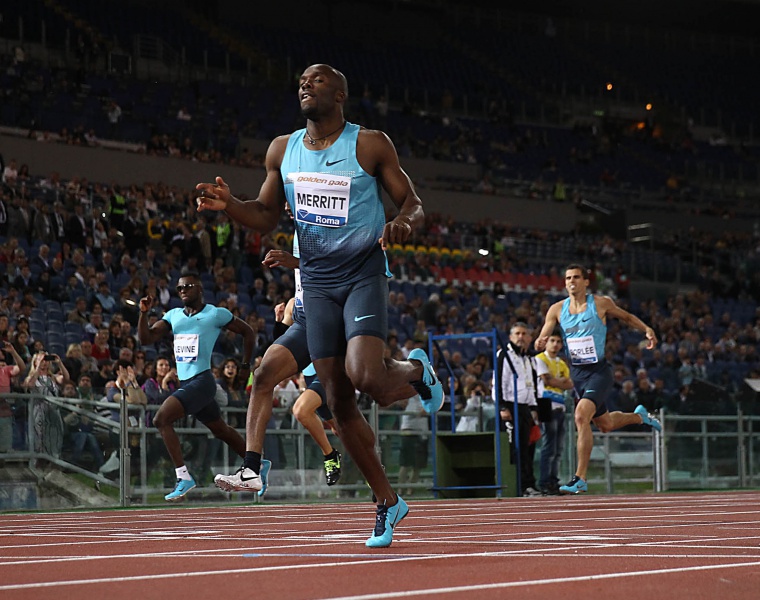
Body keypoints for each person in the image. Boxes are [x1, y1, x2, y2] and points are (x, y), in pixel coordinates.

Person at [197, 63, 443, 548]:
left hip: (362, 274)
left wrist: (403, 223)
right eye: (302, 81)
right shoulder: (282, 150)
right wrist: (232, 206)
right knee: (339, 399)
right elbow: (265, 215)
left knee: (366, 376)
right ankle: (388, 502)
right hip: (318, 285)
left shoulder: (369, 144)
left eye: (318, 79)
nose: (306, 84)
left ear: (340, 93)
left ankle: (417, 371)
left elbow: (413, 202)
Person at [534, 264, 661, 495]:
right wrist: (540, 341)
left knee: (581, 416)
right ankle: (639, 417)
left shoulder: (600, 303)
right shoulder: (556, 309)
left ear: (585, 282)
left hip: (599, 372)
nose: (571, 281)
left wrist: (646, 329)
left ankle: (580, 478)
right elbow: (544, 333)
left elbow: (626, 317)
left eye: (576, 277)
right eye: (568, 278)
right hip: (578, 375)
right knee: (605, 425)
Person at [137, 271, 255, 501]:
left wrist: (245, 365)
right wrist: (143, 313)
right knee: (221, 430)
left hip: (202, 381)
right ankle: (257, 463)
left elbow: (248, 332)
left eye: (187, 286)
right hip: (188, 383)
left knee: (161, 419)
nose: (182, 291)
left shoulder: (215, 313)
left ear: (200, 289)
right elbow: (145, 339)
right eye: (179, 288)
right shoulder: (173, 316)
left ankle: (184, 477)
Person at [496, 322, 542, 497]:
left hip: (525, 408)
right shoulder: (504, 355)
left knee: (527, 448)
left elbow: (532, 385)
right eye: (517, 333)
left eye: (524, 334)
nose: (521, 337)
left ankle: (528, 484)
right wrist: (502, 406)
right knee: (514, 448)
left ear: (530, 338)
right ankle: (518, 485)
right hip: (509, 405)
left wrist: (533, 407)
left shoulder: (529, 358)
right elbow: (499, 381)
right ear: (510, 337)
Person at [534, 330, 574, 496]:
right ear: (546, 342)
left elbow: (570, 384)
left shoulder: (562, 363)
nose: (555, 344)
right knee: (549, 445)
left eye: (558, 341)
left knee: (558, 447)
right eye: (552, 341)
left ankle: (553, 480)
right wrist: (560, 382)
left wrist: (556, 382)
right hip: (545, 403)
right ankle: (544, 482)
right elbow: (546, 380)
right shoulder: (539, 359)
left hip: (560, 405)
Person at [0, 340, 26, 453]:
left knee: (4, 450)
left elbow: (22, 368)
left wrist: (13, 352)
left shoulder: (5, 370)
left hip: (4, 414)